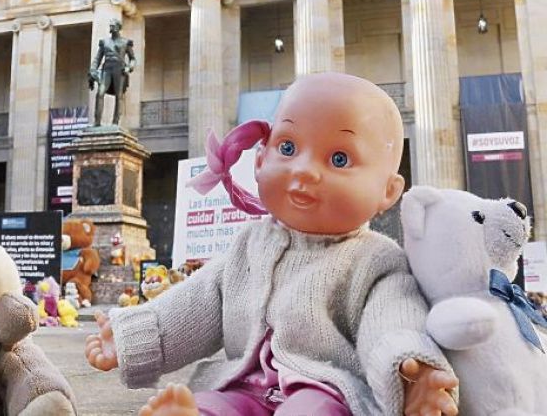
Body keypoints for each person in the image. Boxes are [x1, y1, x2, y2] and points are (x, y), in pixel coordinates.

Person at [85, 72, 459, 416]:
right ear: (260, 160)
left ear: (388, 191)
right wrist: (131, 336)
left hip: (325, 389)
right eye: (288, 147)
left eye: (339, 158)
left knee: (312, 411)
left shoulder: (376, 260)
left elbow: (392, 322)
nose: (304, 170)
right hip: (241, 384)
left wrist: (410, 373)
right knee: (212, 403)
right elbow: (196, 303)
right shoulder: (249, 245)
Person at [89, 18, 136, 127]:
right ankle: (97, 122)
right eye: (110, 26)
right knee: (100, 93)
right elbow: (98, 58)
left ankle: (115, 122)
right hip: (107, 68)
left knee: (118, 96)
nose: (111, 27)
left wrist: (129, 67)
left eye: (113, 26)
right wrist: (93, 70)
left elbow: (133, 59)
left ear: (118, 27)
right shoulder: (104, 42)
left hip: (119, 69)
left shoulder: (125, 42)